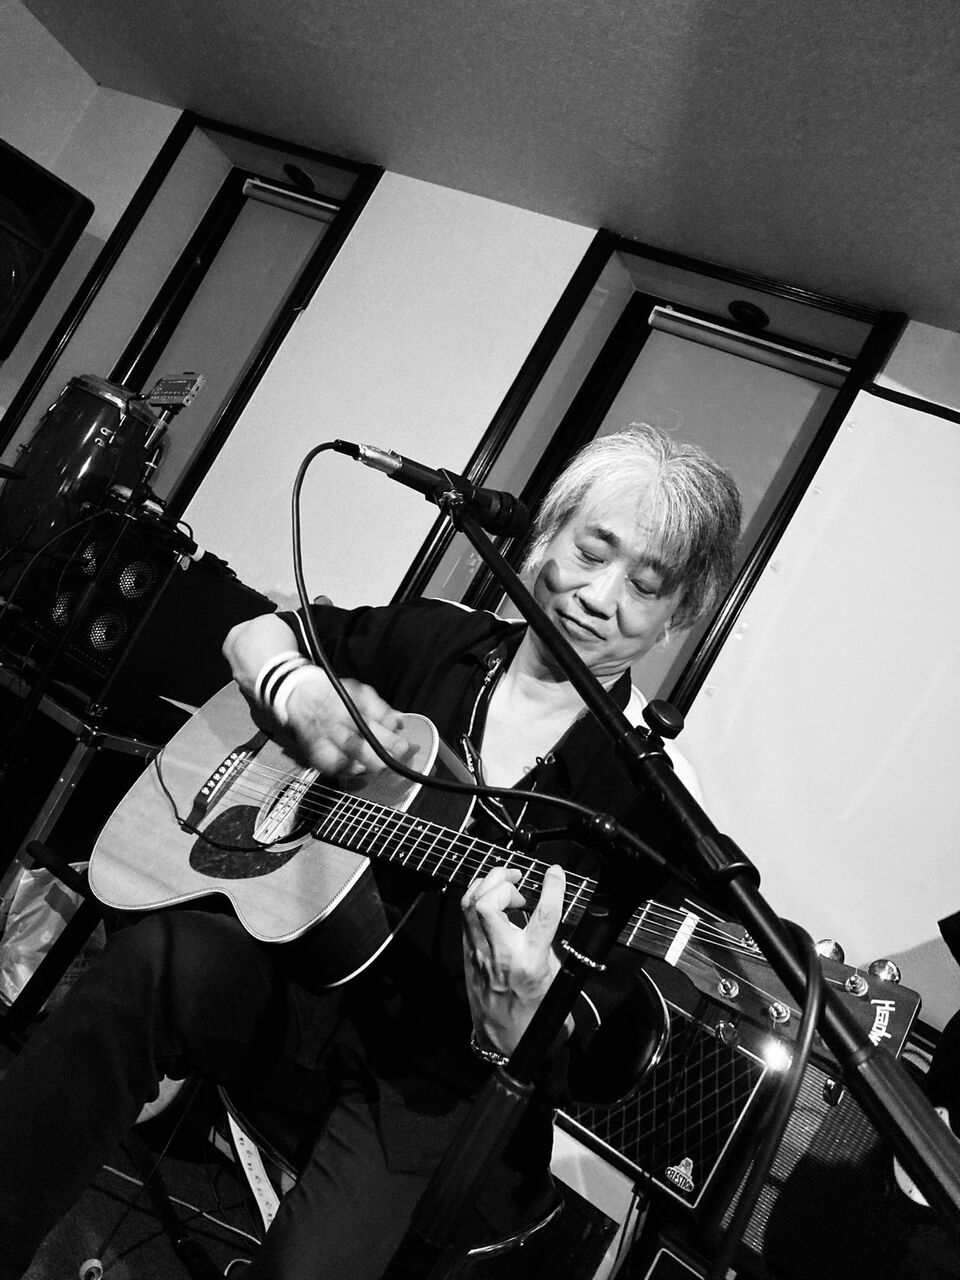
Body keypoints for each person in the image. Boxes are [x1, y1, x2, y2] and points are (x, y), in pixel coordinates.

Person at [0, 424, 741, 1279]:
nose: (598, 597)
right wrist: (295, 688)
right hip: (289, 979)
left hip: (425, 1085)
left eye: (644, 586)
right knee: (149, 965)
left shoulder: (650, 797)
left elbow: (608, 1026)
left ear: (676, 618)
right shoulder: (440, 641)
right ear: (548, 533)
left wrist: (522, 1021)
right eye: (591, 552)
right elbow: (256, 636)